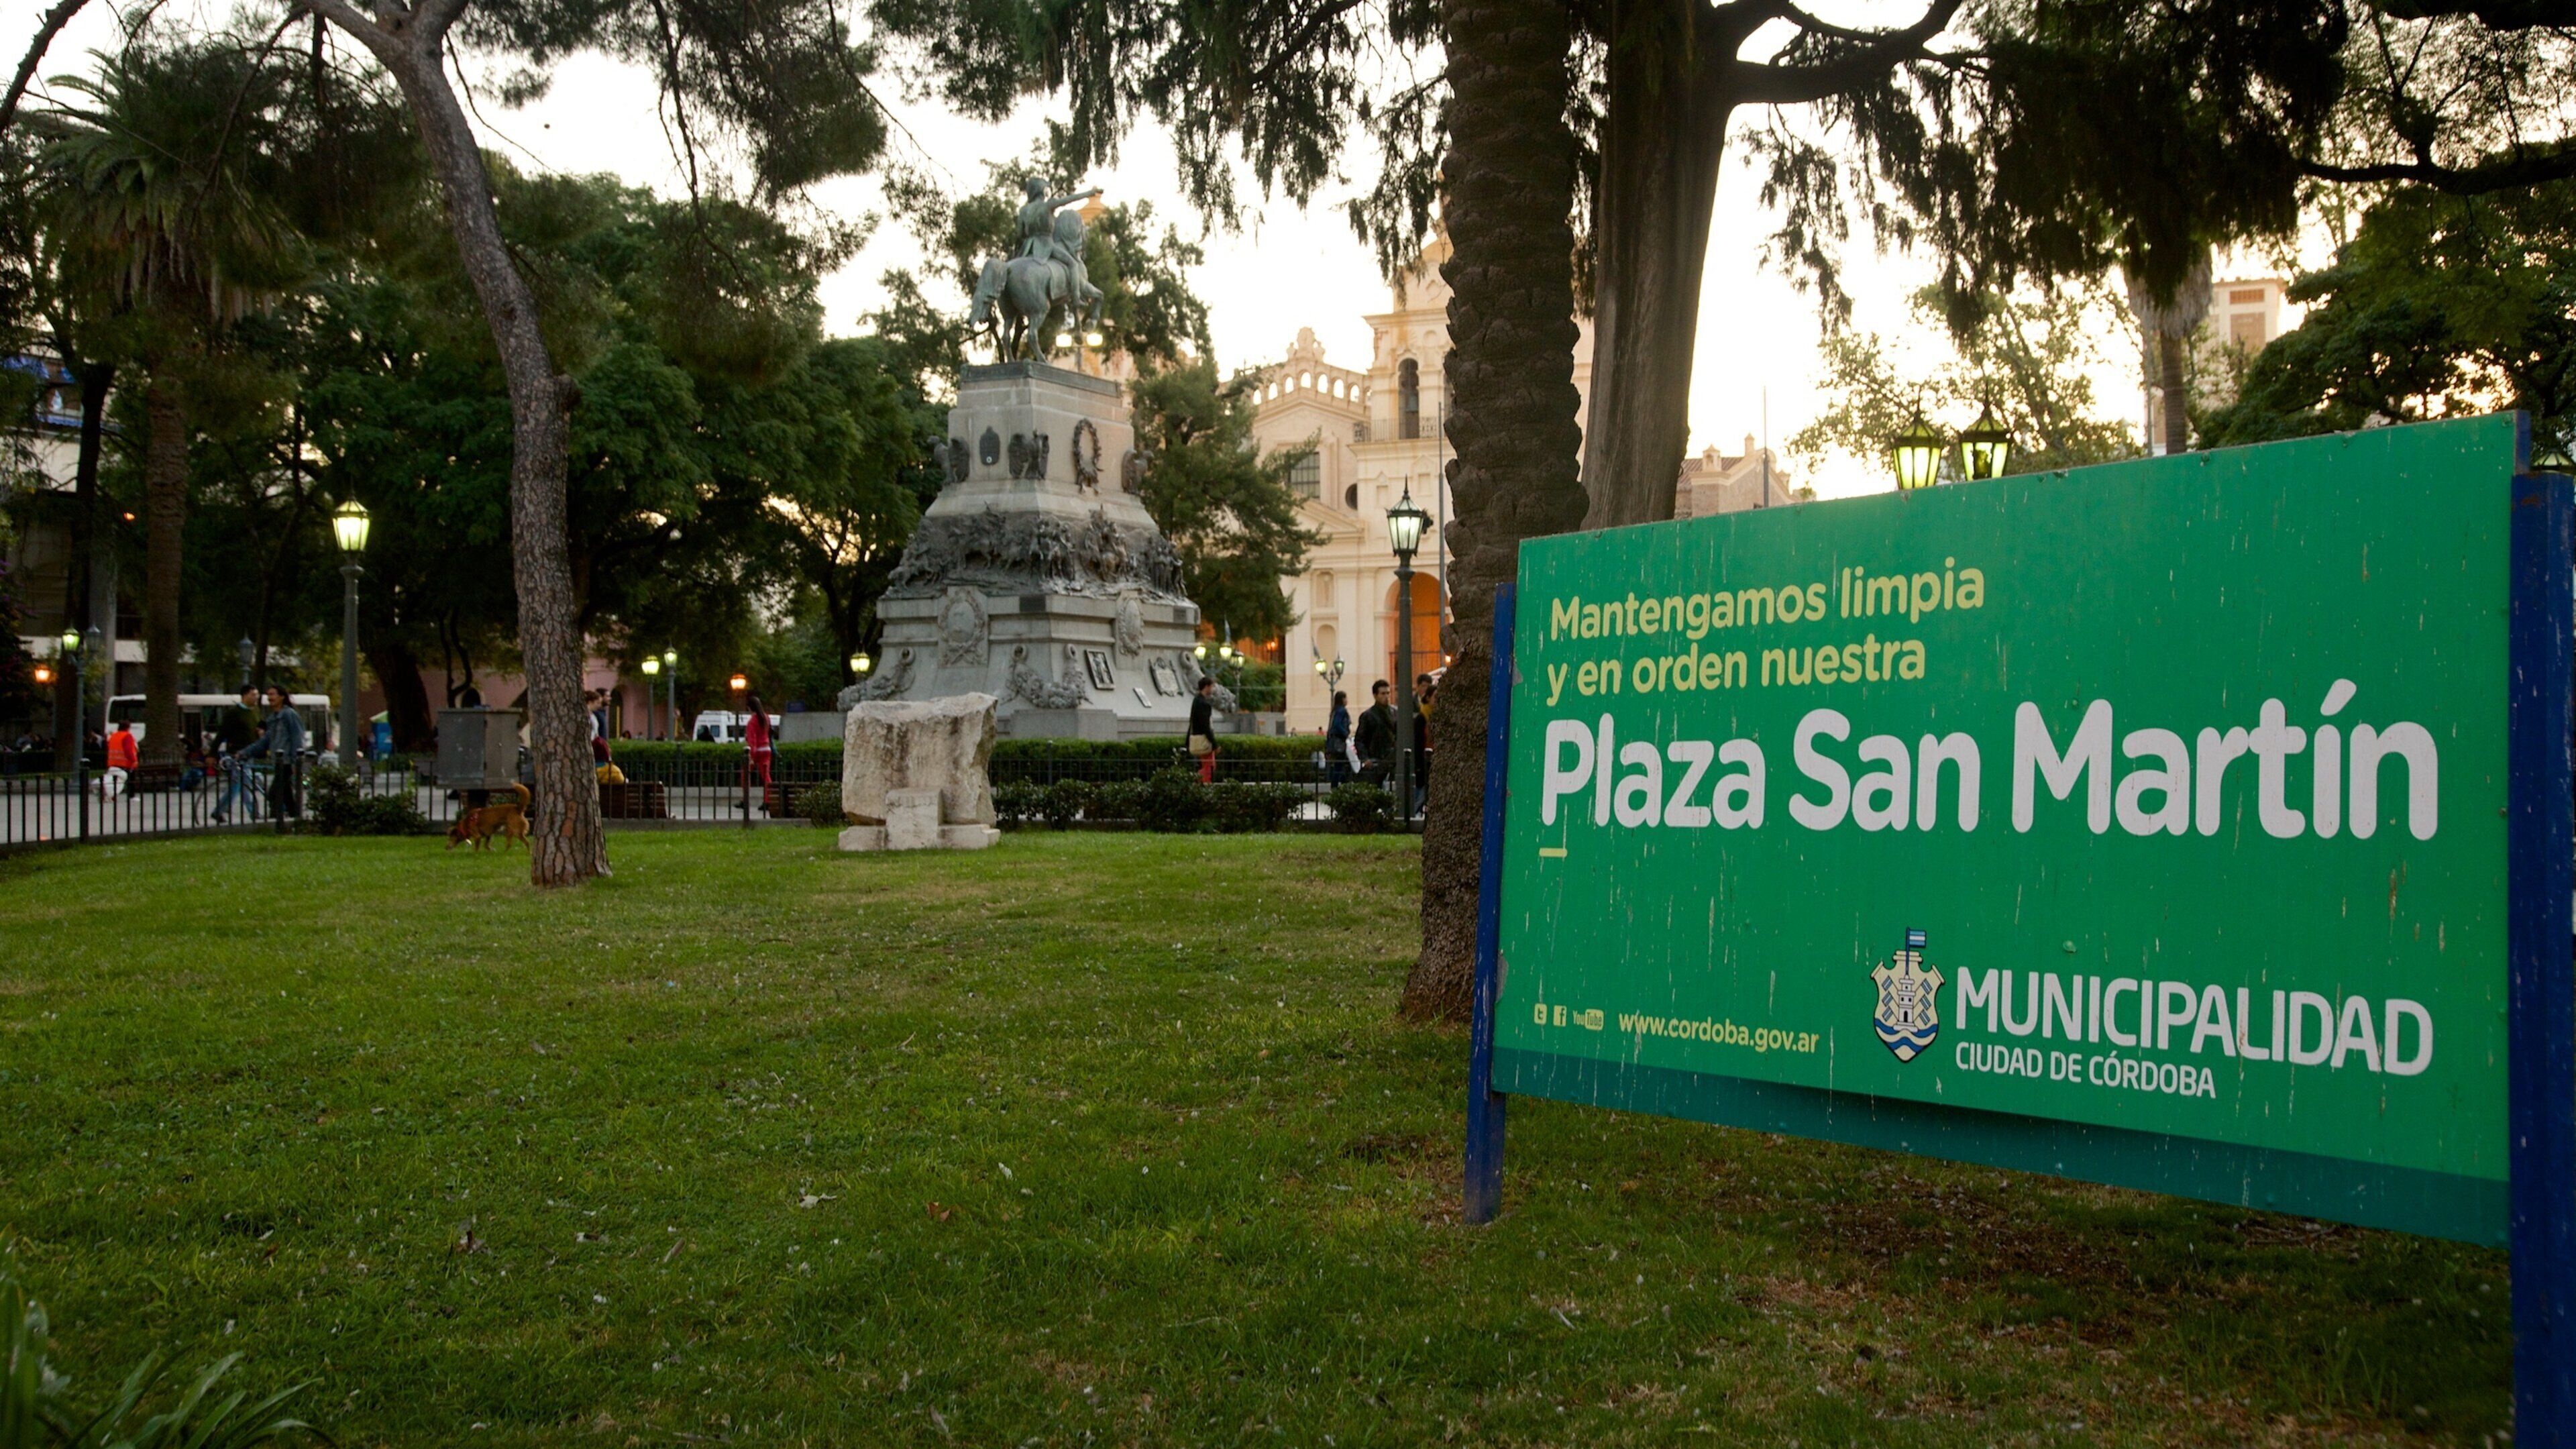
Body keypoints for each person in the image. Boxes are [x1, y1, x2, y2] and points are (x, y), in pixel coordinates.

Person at [241, 685, 307, 820]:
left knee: (274, 793)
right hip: (278, 761)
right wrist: (245, 752)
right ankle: (294, 818)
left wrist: (297, 761)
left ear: (282, 697)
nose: (270, 698)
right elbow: (265, 741)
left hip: (287, 761)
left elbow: (298, 737)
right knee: (286, 794)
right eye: (268, 695)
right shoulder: (272, 719)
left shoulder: (289, 715)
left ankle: (276, 820)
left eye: (273, 694)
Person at [211, 686, 263, 823]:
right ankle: (253, 812)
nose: (256, 697)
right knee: (244, 783)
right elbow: (222, 734)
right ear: (245, 696)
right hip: (237, 753)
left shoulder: (255, 711)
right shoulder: (234, 713)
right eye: (253, 695)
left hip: (249, 752)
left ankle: (219, 810)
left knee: (237, 784)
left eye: (257, 695)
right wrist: (212, 753)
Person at [1353, 679, 1397, 786]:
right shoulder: (1368, 716)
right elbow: (1359, 739)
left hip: (1392, 759)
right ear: (1375, 695)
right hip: (1375, 760)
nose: (1386, 696)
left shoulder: (1395, 713)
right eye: (1383, 694)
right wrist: (1365, 759)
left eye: (1388, 693)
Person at [743, 693, 774, 811]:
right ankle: (768, 800)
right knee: (766, 776)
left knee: (745, 775)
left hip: (756, 751)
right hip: (766, 749)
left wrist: (751, 756)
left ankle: (745, 799)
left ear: (750, 708)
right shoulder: (766, 718)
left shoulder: (752, 721)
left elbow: (752, 740)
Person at [1187, 677, 1220, 783]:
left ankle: (1199, 783)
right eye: (1212, 686)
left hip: (1197, 738)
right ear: (1207, 687)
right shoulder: (1204, 704)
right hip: (1204, 741)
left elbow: (1192, 721)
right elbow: (1206, 726)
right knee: (1209, 767)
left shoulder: (1196, 700)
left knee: (1205, 766)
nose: (1213, 689)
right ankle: (1201, 784)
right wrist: (1215, 744)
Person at [1323, 690, 1354, 786]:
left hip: (1334, 742)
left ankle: (1336, 786)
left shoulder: (1335, 711)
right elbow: (1337, 725)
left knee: (1338, 766)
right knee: (1341, 766)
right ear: (1342, 699)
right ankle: (1338, 786)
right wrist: (1346, 734)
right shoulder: (1342, 711)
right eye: (1345, 698)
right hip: (1340, 742)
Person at [102, 721, 137, 797]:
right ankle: (131, 796)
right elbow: (128, 750)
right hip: (125, 763)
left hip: (113, 761)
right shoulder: (127, 736)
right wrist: (133, 760)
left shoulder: (113, 736)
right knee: (130, 780)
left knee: (113, 780)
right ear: (128, 728)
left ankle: (108, 793)